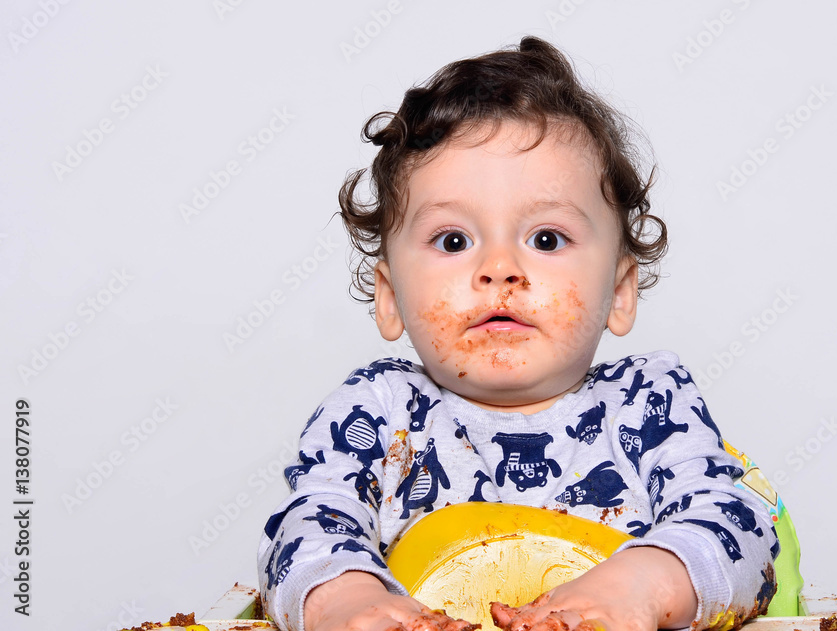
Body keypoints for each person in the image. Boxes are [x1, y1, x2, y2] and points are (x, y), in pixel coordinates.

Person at [257, 36, 779, 631]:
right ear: (391, 297)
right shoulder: (379, 411)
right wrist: (346, 602)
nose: (500, 268)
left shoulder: (647, 404)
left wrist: (643, 585)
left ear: (620, 292)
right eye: (453, 240)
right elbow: (308, 526)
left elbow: (738, 527)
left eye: (546, 239)